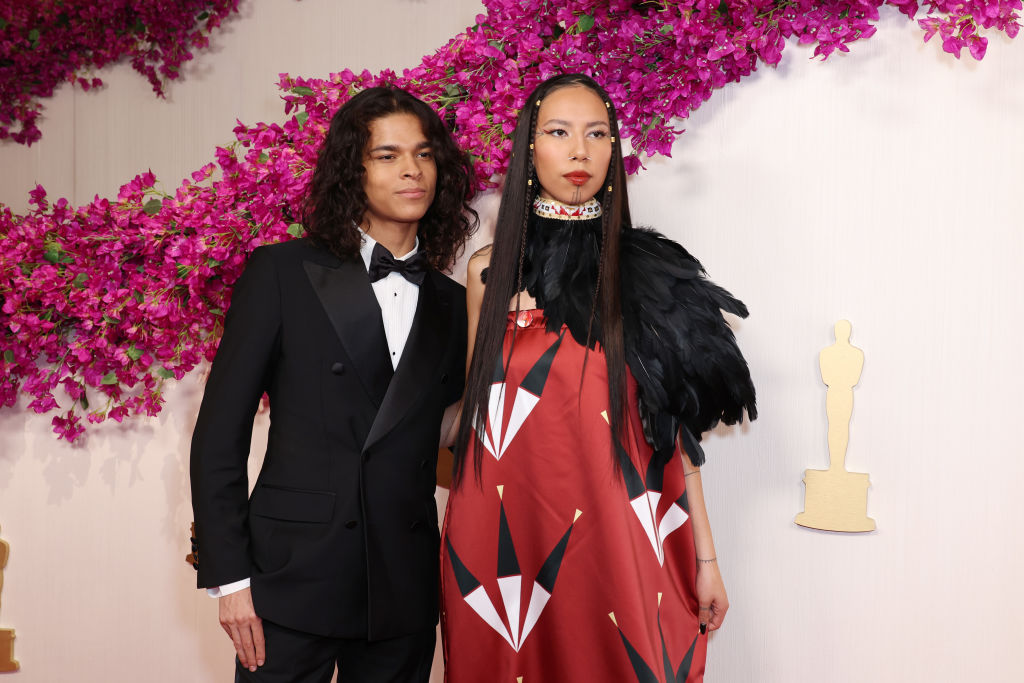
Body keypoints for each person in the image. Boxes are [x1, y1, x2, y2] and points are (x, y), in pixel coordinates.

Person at [441, 74, 756, 682]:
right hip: (505, 533)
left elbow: (674, 433)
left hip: (617, 531)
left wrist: (706, 558)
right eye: (559, 132)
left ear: (614, 150)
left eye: (597, 134)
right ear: (530, 149)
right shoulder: (487, 273)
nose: (580, 150)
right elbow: (472, 418)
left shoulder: (649, 276)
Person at [190, 86, 476, 683]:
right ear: (352, 170)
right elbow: (220, 435)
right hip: (288, 578)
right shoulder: (282, 271)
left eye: (424, 154)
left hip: (403, 585)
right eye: (387, 155)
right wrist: (230, 579)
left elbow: (441, 430)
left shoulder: (455, 303)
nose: (412, 170)